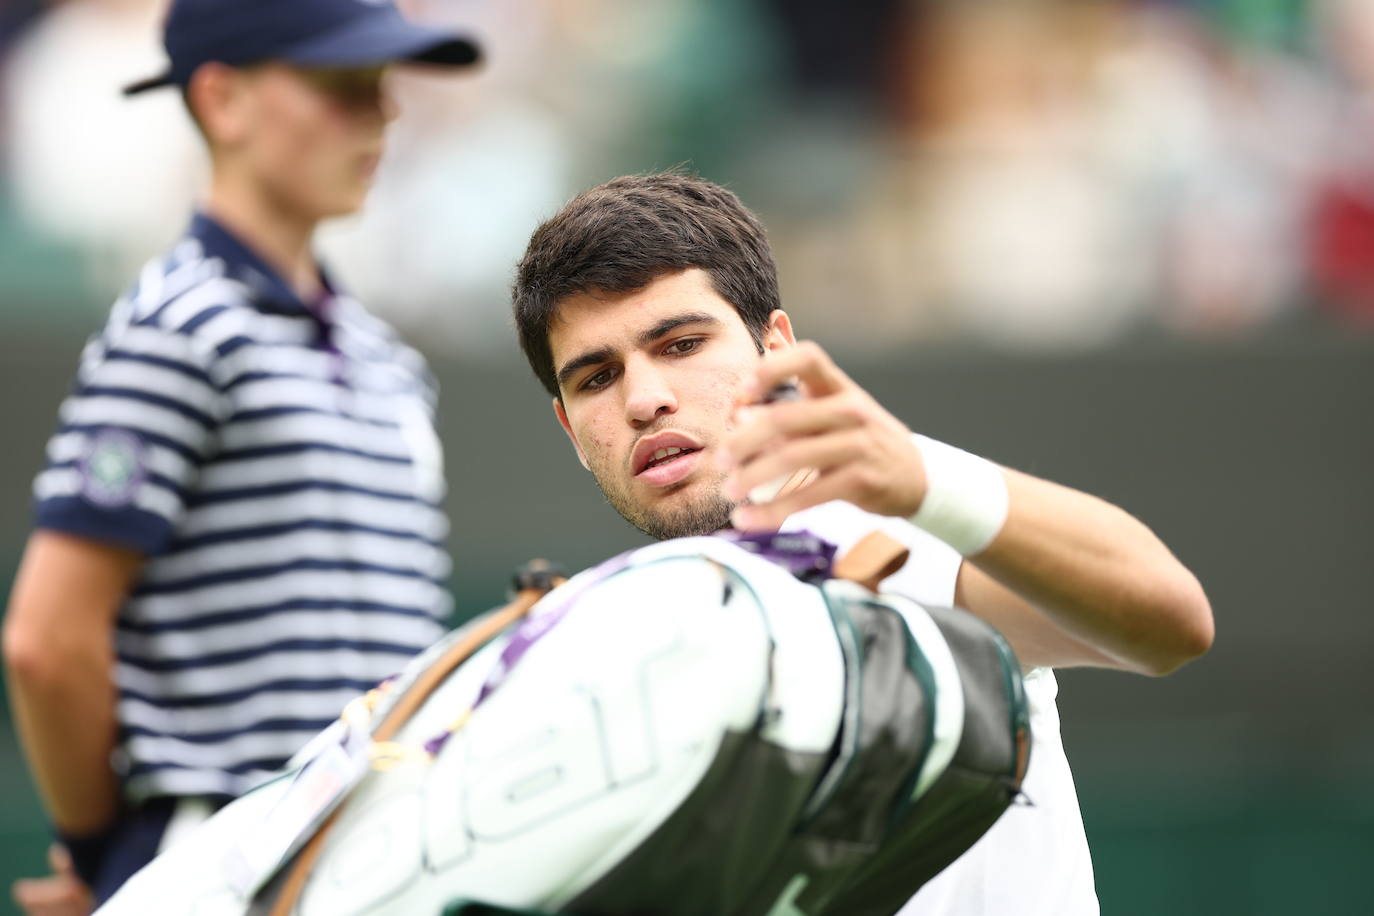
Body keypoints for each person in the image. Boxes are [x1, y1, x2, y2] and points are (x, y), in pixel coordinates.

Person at [511, 172, 1215, 915]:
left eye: (682, 344)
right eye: (597, 378)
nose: (644, 399)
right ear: (571, 432)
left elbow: (1173, 622)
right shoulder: (603, 647)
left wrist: (924, 483)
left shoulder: (900, 524)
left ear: (774, 348)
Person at [2, 0, 480, 910]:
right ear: (223, 101)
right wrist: (111, 853)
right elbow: (46, 640)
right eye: (343, 86)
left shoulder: (388, 361)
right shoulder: (177, 330)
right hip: (231, 860)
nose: (382, 114)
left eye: (380, 86)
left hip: (389, 861)